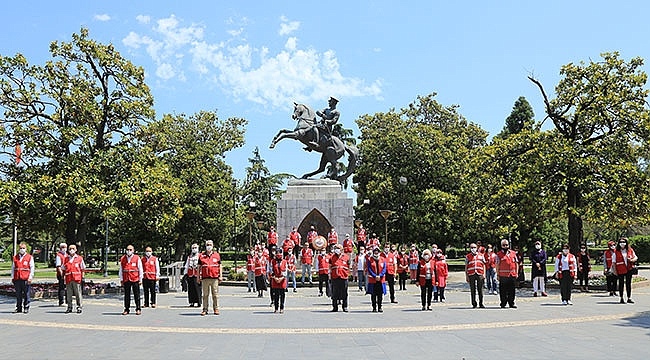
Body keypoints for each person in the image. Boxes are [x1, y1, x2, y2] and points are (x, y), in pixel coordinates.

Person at [198, 240, 222, 315]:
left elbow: (220, 266)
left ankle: (216, 308)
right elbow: (199, 267)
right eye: (207, 245)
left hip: (214, 278)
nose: (209, 246)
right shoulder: (201, 255)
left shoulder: (217, 255)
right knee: (205, 295)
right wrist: (198, 277)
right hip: (205, 278)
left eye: (210, 245)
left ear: (213, 246)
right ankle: (205, 309)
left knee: (215, 294)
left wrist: (220, 276)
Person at [119, 245, 143, 315]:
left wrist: (140, 279)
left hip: (135, 278)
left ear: (133, 250)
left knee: (136, 295)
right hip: (126, 278)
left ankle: (138, 308)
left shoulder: (137, 258)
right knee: (127, 295)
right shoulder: (123, 258)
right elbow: (121, 269)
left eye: (130, 249)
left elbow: (140, 269)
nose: (129, 251)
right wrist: (121, 279)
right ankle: (126, 309)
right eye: (127, 249)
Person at [61, 244, 85, 314]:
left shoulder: (79, 258)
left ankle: (79, 307)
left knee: (78, 293)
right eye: (70, 249)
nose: (71, 250)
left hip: (76, 279)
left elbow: (83, 269)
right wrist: (63, 277)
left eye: (73, 249)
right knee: (69, 294)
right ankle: (69, 307)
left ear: (76, 250)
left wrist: (83, 277)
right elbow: (63, 268)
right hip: (68, 279)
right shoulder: (66, 259)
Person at [11, 242, 34, 314]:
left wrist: (30, 277)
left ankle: (26, 307)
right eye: (21, 248)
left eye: (23, 248)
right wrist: (12, 277)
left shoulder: (29, 257)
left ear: (26, 249)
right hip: (17, 278)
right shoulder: (15, 257)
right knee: (18, 294)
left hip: (25, 278)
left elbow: (32, 267)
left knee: (26, 294)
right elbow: (13, 268)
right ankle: (18, 307)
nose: (22, 249)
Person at [615, 237, 638, 304]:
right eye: (621, 242)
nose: (622, 243)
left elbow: (635, 257)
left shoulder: (630, 250)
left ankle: (629, 298)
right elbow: (613, 262)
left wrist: (632, 260)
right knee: (621, 284)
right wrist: (614, 271)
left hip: (629, 269)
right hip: (620, 269)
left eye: (624, 242)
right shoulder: (616, 252)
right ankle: (621, 298)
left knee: (628, 284)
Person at [496, 239, 518, 309]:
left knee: (512, 290)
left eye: (506, 245)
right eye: (504, 245)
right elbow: (497, 265)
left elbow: (516, 263)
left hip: (512, 275)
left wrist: (516, 273)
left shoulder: (513, 253)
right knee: (503, 291)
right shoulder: (499, 254)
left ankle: (511, 303)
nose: (505, 246)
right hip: (503, 276)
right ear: (501, 246)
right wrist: (498, 274)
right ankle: (503, 303)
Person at [329, 243, 350, 312]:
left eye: (338, 248)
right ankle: (335, 307)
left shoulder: (346, 257)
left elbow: (349, 266)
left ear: (341, 250)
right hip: (335, 277)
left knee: (344, 292)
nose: (336, 250)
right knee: (335, 292)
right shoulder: (332, 257)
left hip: (343, 277)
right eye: (335, 248)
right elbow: (330, 267)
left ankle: (345, 306)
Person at [366, 247, 387, 313]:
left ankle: (380, 307)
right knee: (373, 294)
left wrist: (380, 275)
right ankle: (374, 307)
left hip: (381, 280)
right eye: (375, 251)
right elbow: (369, 269)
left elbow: (384, 269)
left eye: (377, 251)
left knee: (380, 294)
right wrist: (375, 276)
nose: (376, 252)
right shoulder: (370, 259)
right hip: (373, 280)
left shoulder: (382, 259)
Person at [465, 243, 486, 309]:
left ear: (477, 248)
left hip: (480, 274)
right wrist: (466, 276)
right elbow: (466, 267)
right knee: (472, 290)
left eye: (474, 247)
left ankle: (481, 303)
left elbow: (484, 265)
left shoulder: (481, 255)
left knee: (480, 289)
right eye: (471, 248)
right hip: (471, 274)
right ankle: (474, 303)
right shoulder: (468, 256)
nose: (473, 249)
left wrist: (484, 274)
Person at [270, 248, 287, 313]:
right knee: (276, 295)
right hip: (275, 279)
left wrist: (281, 278)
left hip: (282, 280)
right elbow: (271, 270)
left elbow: (285, 271)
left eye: (280, 253)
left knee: (282, 294)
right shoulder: (273, 261)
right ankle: (276, 308)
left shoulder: (284, 261)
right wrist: (275, 278)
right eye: (277, 253)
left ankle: (282, 308)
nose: (278, 254)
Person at [55, 242, 68, 307]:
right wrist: (62, 275)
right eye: (62, 247)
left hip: (67, 273)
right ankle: (61, 301)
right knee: (62, 287)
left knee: (68, 288)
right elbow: (58, 266)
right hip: (62, 274)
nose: (64, 248)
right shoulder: (59, 255)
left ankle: (68, 301)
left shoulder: (67, 255)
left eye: (65, 247)